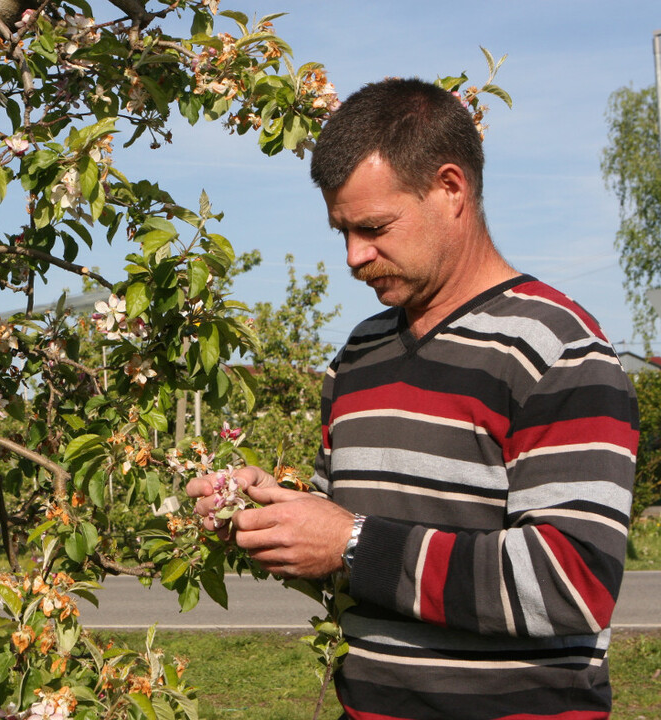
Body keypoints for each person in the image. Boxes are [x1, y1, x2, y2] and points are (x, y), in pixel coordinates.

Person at [187, 78, 639, 720]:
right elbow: (342, 536)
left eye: (373, 227)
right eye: (342, 231)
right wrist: (268, 510)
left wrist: (350, 542)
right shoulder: (359, 355)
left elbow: (572, 584)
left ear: (451, 189)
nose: (354, 256)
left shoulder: (555, 348)